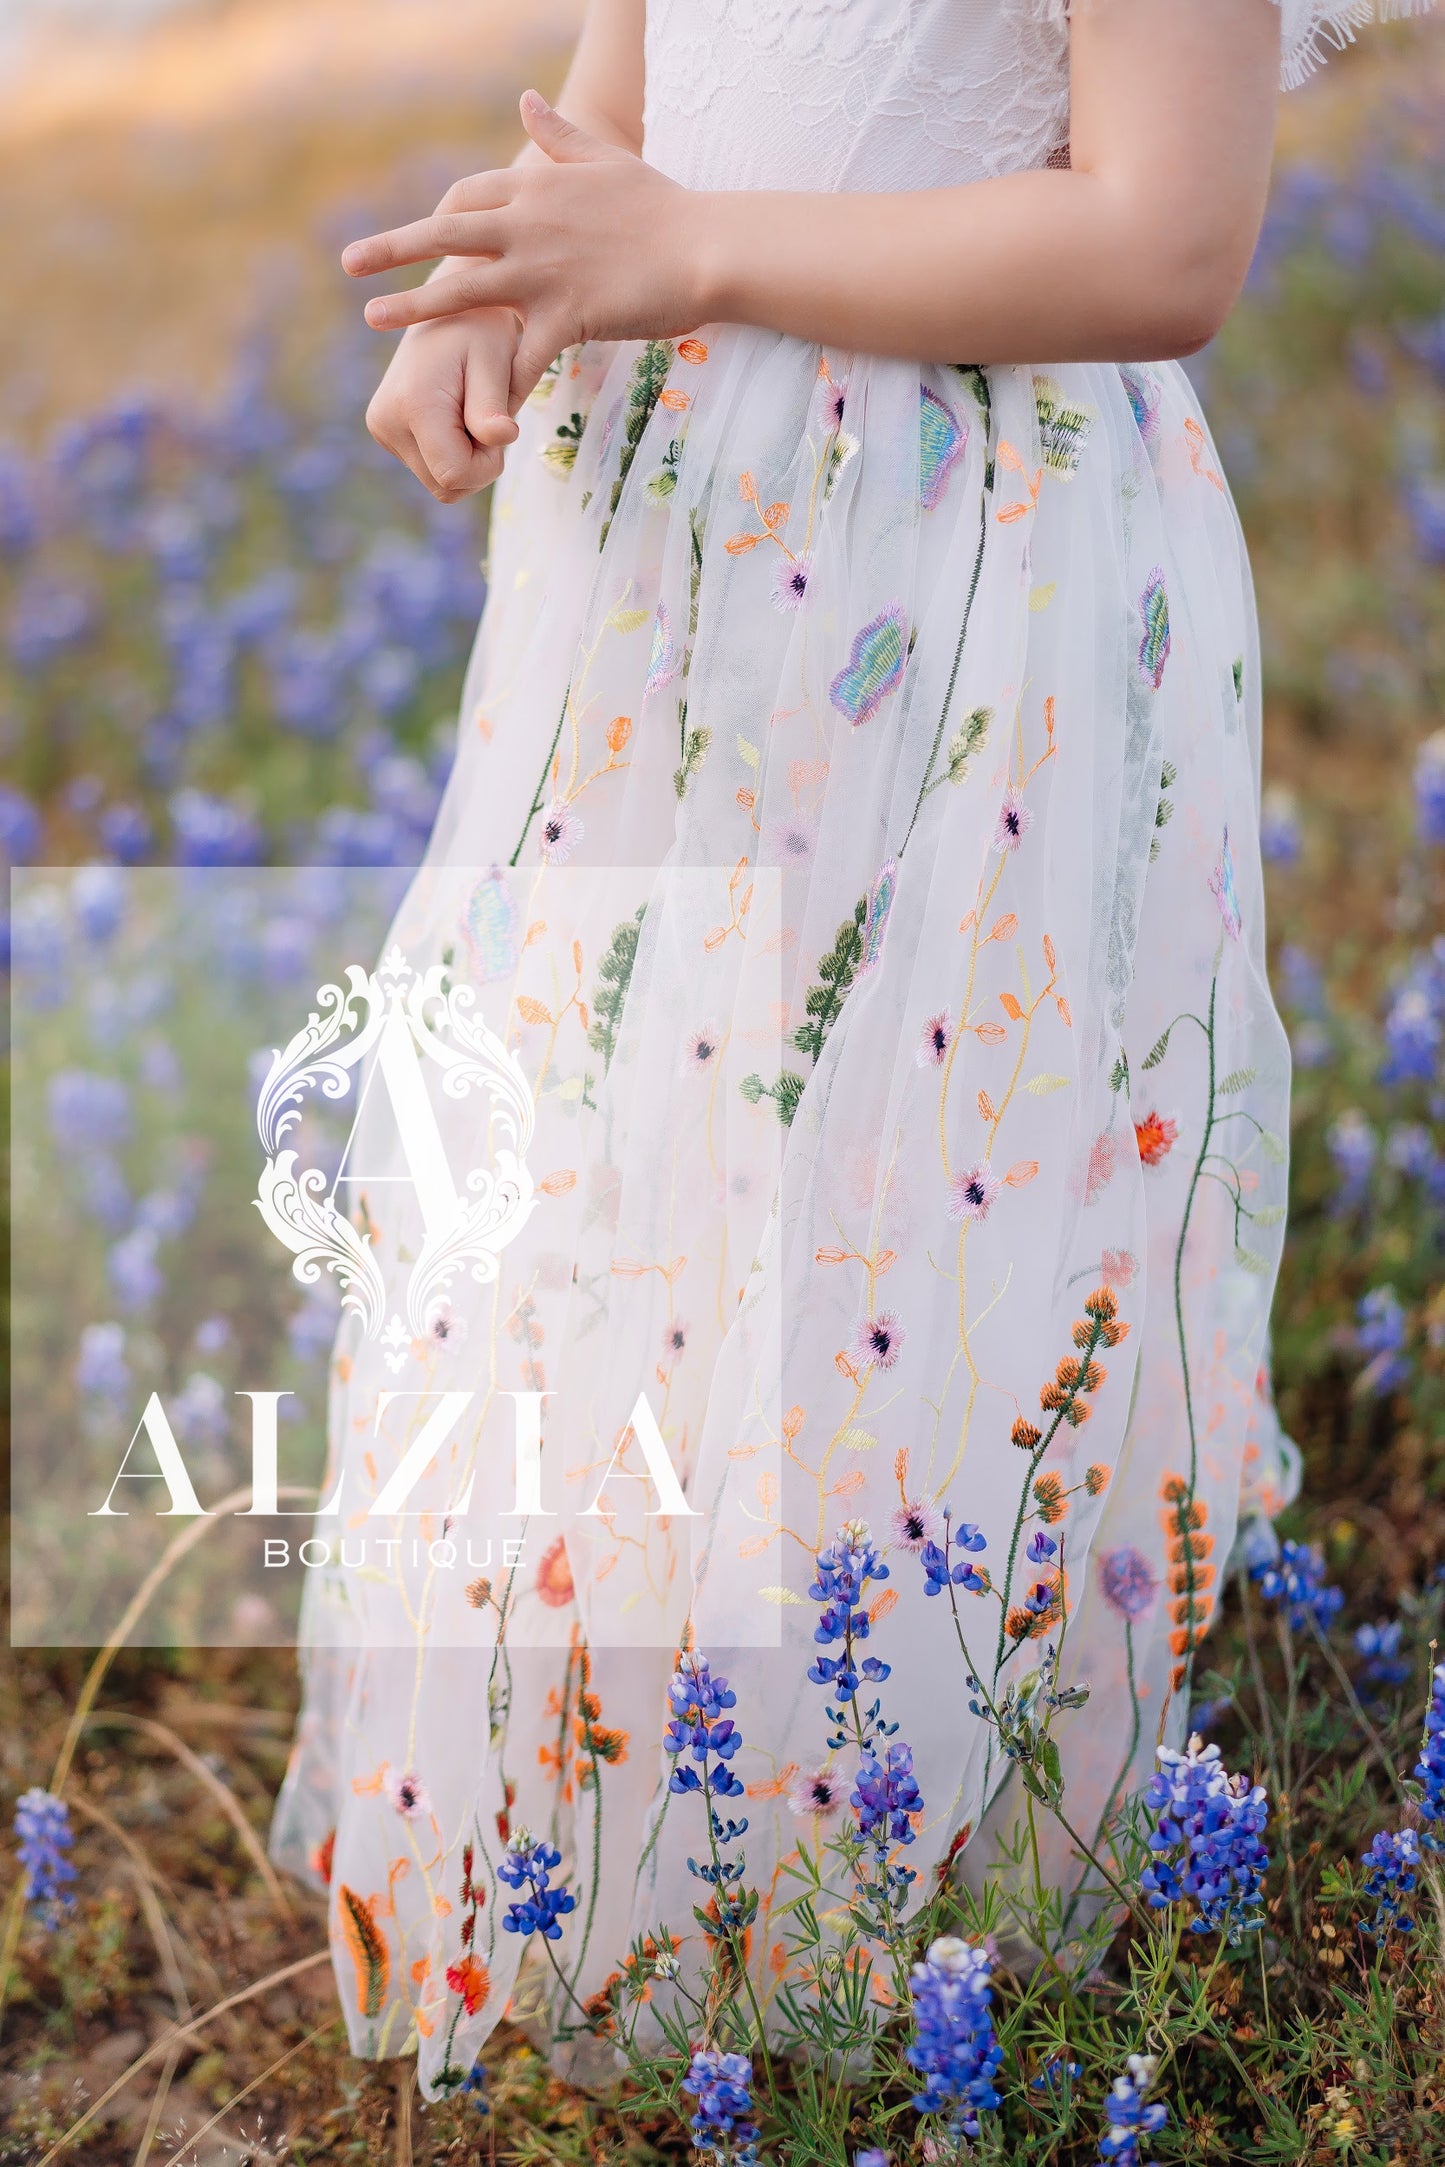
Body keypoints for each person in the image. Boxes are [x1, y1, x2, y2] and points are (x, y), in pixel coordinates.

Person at [270, 0, 1417, 2099]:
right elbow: (623, 92)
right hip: (678, 529)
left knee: (917, 1186)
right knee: (631, 1154)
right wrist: (507, 274)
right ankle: (625, 1844)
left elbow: (1165, 241)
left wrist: (690, 249)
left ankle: (885, 1873)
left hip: (972, 549)